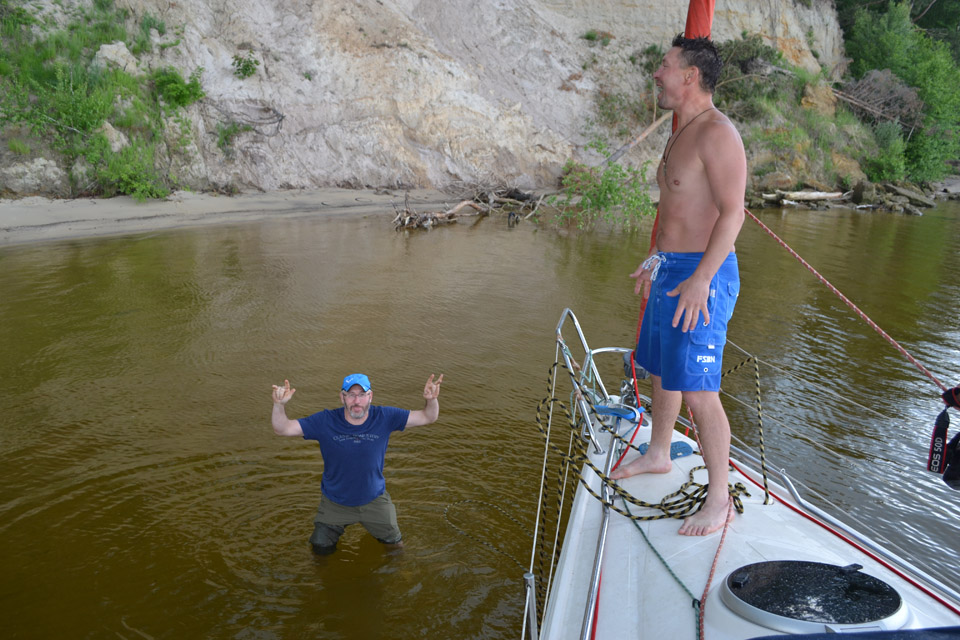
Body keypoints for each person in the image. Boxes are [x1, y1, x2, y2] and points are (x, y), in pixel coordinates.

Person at [610, 34, 746, 537]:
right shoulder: (680, 129)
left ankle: (719, 500)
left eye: (664, 65)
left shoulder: (717, 133)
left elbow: (734, 214)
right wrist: (656, 258)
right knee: (662, 369)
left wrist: (700, 280)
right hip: (670, 267)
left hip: (703, 274)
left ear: (690, 75)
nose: (657, 73)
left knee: (699, 391)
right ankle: (659, 452)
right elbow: (676, 208)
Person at [271, 372, 444, 554]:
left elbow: (428, 417)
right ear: (342, 397)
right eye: (351, 395)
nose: (357, 401)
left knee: (395, 548)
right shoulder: (325, 421)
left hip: (374, 500)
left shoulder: (384, 416)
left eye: (362, 394)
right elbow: (283, 429)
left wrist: (431, 399)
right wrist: (279, 405)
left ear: (370, 396)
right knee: (320, 549)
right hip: (335, 503)